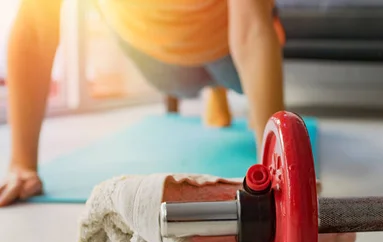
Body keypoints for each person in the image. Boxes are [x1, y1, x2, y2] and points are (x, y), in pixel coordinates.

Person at [0, 0, 286, 207]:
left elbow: (250, 31)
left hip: (228, 44)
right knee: (181, 85)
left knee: (242, 68)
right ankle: (214, 90)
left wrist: (274, 169)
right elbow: (36, 26)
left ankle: (220, 87)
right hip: (157, 49)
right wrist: (22, 164)